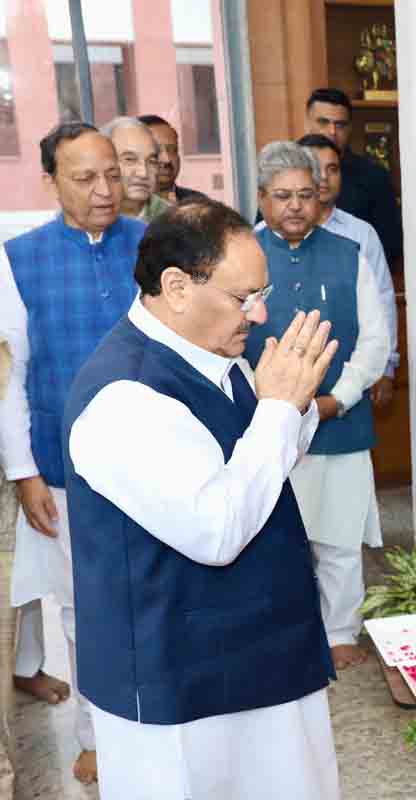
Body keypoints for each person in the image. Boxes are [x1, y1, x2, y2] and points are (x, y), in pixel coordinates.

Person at [64, 200, 340, 800]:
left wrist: (288, 405)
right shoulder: (123, 397)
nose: (260, 313)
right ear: (177, 287)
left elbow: (259, 469)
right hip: (180, 687)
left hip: (263, 653)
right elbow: (216, 530)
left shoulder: (218, 357)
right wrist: (275, 410)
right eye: (244, 297)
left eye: (261, 292)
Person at [0, 121, 145, 784]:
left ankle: (158, 718)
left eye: (113, 173)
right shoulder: (18, 259)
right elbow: (11, 378)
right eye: (85, 177)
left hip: (153, 462)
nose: (105, 189)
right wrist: (23, 471)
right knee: (84, 611)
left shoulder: (151, 246)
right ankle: (95, 732)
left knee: (154, 599)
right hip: (65, 474)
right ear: (51, 180)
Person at [246, 141, 390, 670]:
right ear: (260, 197)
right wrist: (270, 406)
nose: (295, 206)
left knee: (339, 534)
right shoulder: (243, 258)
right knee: (273, 538)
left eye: (305, 194)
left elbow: (375, 341)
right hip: (262, 426)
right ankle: (284, 629)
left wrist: (337, 399)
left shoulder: (347, 253)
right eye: (282, 196)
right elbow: (229, 341)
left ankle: (339, 631)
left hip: (338, 421)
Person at [287, 133, 399, 398]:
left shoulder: (361, 234)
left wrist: (387, 366)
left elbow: (383, 299)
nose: (324, 177)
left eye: (333, 169)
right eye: (315, 168)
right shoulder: (266, 235)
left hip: (351, 372)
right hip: (288, 377)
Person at [303, 88, 403, 269]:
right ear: (307, 123)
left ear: (350, 128)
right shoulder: (284, 173)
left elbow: (389, 247)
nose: (332, 131)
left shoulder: (374, 177)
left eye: (340, 124)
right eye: (323, 122)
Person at [101, 117, 172, 222]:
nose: (143, 173)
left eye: (151, 161)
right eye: (130, 159)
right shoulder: (82, 219)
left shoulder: (173, 220)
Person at [137, 114, 209, 204]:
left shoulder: (200, 204)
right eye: (157, 151)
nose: (167, 159)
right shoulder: (119, 209)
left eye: (173, 150)